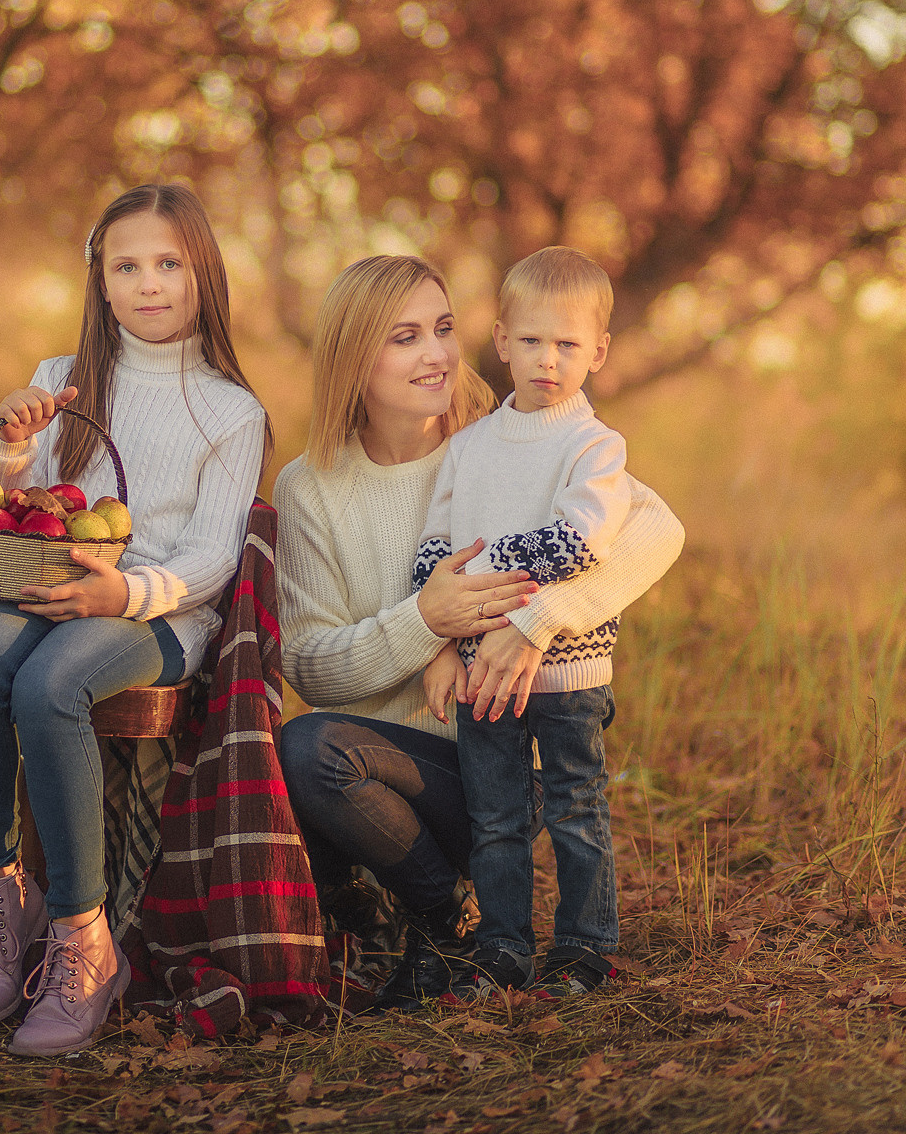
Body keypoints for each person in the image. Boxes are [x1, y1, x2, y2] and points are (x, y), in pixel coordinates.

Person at [274, 254, 684, 1011]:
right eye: (404, 337)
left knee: (549, 800)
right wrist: (426, 623)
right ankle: (445, 922)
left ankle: (505, 934)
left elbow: (655, 528)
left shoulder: (504, 436)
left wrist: (534, 624)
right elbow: (308, 665)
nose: (436, 354)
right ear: (352, 356)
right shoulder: (310, 488)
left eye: (443, 328)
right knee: (305, 748)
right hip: (387, 775)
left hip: (508, 744)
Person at [0, 183, 270, 1056]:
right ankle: (1, 898)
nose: (148, 283)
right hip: (47, 582)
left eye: (168, 264)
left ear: (203, 274)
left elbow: (212, 556)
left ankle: (84, 938)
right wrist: (14, 444)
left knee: (52, 683)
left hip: (158, 613)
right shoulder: (63, 380)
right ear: (101, 280)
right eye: (127, 266)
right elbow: (14, 501)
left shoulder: (231, 410)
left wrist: (123, 594)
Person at [415, 246, 664, 999]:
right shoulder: (467, 448)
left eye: (567, 344)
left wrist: (485, 575)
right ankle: (503, 946)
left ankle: (585, 946)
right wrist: (442, 627)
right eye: (530, 340)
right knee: (495, 818)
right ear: (501, 341)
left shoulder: (595, 446)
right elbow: (434, 549)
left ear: (599, 351)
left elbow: (580, 541)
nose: (547, 359)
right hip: (481, 672)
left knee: (575, 810)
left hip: (570, 672)